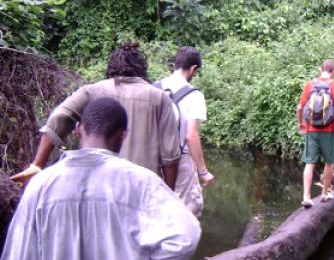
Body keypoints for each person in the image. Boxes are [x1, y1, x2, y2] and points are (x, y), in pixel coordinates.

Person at [1, 97, 200, 260]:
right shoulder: (143, 182)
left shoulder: (41, 185)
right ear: (123, 135)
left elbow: (18, 252)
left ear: (78, 129)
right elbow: (186, 236)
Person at [10, 41, 180, 189]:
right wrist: (168, 195)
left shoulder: (92, 91)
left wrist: (37, 166)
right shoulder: (160, 98)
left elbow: (58, 119)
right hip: (143, 190)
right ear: (142, 69)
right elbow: (170, 156)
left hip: (96, 187)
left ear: (111, 69)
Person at [157, 46, 214, 217]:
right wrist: (203, 171)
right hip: (180, 160)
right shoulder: (194, 95)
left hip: (154, 157)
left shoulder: (155, 87)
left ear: (175, 64)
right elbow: (191, 135)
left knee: (159, 208)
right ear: (193, 69)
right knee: (187, 211)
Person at [296, 59, 334, 208]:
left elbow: (299, 108)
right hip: (328, 131)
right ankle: (325, 194)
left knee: (310, 163)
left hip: (311, 129)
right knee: (329, 163)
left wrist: (301, 124)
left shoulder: (310, 85)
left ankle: (306, 197)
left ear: (320, 69)